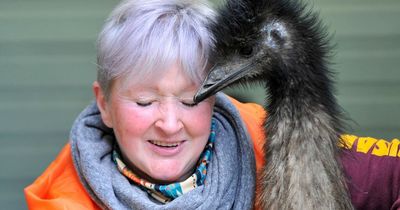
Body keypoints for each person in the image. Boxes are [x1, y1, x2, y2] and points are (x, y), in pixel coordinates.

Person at [24, 0, 400, 209]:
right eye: (144, 101)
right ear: (103, 104)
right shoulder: (62, 202)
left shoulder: (267, 144)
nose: (170, 124)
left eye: (192, 99)